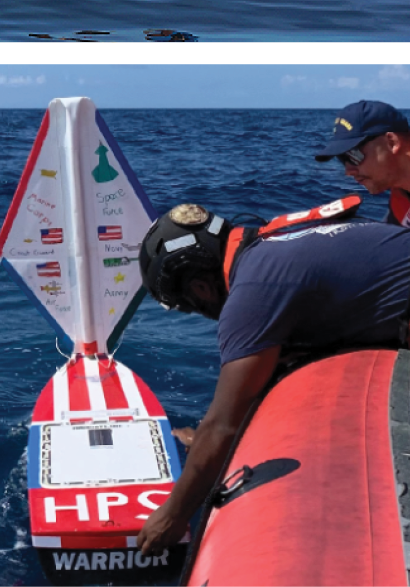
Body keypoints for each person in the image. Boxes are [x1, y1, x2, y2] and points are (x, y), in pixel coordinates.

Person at [132, 201, 410, 557]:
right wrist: (205, 437)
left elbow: (223, 426)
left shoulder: (253, 291)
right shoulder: (272, 242)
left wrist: (172, 516)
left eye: (186, 305)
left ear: (200, 288)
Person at [311, 99, 410, 223]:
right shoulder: (401, 199)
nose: (348, 172)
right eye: (342, 159)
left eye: (353, 155)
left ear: (392, 143)